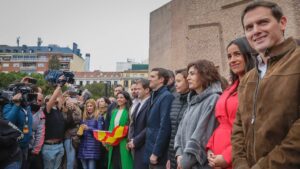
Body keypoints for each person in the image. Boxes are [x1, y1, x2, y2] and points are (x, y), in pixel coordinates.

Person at [231, 1, 300, 168]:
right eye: (249, 27)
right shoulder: (248, 78)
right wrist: (240, 164)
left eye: (263, 22)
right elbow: (239, 128)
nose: (256, 31)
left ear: (282, 23)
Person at [206, 37, 255, 169]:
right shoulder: (229, 88)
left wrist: (227, 156)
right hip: (217, 157)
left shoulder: (256, 86)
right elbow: (221, 124)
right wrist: (210, 148)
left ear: (249, 55)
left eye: (237, 54)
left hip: (240, 158)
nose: (232, 60)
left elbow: (252, 130)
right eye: (229, 56)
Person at [174, 59, 222, 169]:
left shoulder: (214, 99)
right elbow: (180, 131)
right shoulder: (192, 101)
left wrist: (185, 162)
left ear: (205, 75)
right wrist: (179, 154)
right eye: (188, 74)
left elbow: (202, 134)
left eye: (192, 74)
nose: (188, 78)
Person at [144, 68, 174, 169]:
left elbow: (164, 127)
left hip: (159, 155)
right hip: (150, 149)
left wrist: (156, 152)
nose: (149, 79)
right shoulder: (154, 95)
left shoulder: (166, 97)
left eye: (152, 77)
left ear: (161, 79)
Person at [3, 85, 33, 169]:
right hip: (14, 148)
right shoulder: (8, 106)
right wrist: (16, 105)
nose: (28, 97)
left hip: (26, 146)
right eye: (26, 94)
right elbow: (7, 123)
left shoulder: (28, 107)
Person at [167, 68, 190, 169]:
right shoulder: (175, 99)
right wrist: (169, 157)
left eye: (179, 81)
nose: (176, 84)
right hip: (173, 154)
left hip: (186, 155)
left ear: (188, 81)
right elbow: (171, 131)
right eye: (175, 81)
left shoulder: (194, 100)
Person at [127, 78, 151, 169]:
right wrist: (131, 140)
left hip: (144, 146)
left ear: (147, 90)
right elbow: (133, 124)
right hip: (135, 145)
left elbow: (149, 126)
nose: (136, 91)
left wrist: (136, 140)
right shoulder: (138, 104)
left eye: (138, 89)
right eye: (135, 89)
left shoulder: (150, 103)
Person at [107, 91, 133, 169]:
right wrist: (108, 141)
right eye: (118, 98)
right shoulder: (114, 111)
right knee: (114, 163)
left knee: (123, 164)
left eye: (121, 97)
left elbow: (130, 127)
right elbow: (110, 127)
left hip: (124, 141)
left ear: (126, 99)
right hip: (113, 142)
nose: (119, 99)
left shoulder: (129, 111)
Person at [42, 85, 66, 169]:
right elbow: (53, 99)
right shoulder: (47, 110)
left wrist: (60, 87)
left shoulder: (58, 110)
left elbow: (61, 99)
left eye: (55, 102)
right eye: (49, 101)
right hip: (49, 147)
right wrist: (58, 87)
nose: (53, 102)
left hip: (60, 145)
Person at [78, 99, 104, 169]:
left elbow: (100, 131)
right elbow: (81, 133)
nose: (89, 108)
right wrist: (80, 132)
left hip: (93, 147)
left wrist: (88, 128)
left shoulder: (99, 117)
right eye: (87, 106)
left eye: (91, 106)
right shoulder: (84, 118)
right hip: (83, 146)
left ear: (94, 107)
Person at [28, 93, 45, 169]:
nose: (36, 101)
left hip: (32, 148)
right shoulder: (24, 108)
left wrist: (36, 150)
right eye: (35, 99)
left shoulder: (41, 114)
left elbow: (40, 133)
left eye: (39, 100)